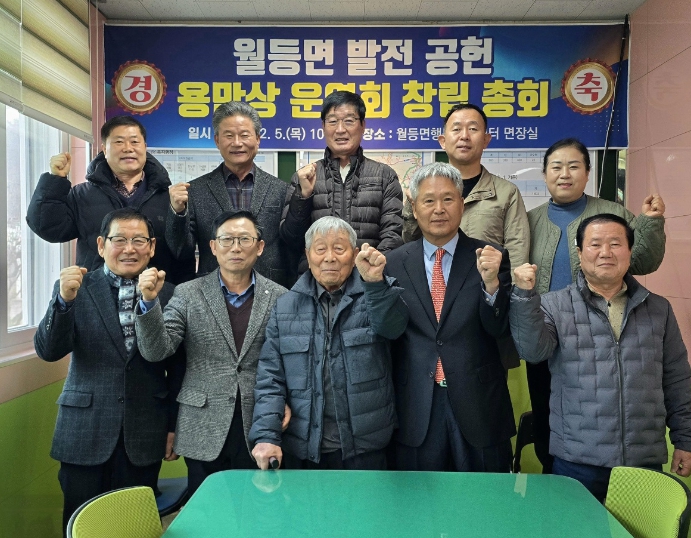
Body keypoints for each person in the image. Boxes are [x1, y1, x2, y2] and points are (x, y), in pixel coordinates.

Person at [510, 214, 689, 502]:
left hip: (643, 463)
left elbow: (677, 380)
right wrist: (523, 296)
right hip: (576, 462)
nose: (606, 252)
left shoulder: (659, 309)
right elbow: (532, 351)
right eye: (595, 244)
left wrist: (685, 439)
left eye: (615, 244)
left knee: (639, 527)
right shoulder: (553, 305)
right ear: (580, 253)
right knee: (574, 526)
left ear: (630, 251)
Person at [34, 208, 184, 533]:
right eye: (119, 240)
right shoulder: (75, 288)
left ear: (152, 247)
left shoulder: (171, 294)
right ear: (102, 245)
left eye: (139, 240)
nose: (129, 249)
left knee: (134, 527)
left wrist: (174, 426)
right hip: (83, 432)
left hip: (144, 433)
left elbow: (178, 371)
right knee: (81, 526)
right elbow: (49, 351)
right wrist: (63, 303)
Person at [525, 138, 667, 473]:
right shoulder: (529, 219)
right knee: (547, 411)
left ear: (588, 173)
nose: (565, 174)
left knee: (599, 411)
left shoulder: (613, 213)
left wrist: (650, 223)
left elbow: (644, 261)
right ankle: (556, 477)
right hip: (547, 333)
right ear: (544, 174)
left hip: (601, 334)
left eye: (574, 166)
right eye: (556, 167)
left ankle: (610, 481)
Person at [136, 210, 288, 496]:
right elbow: (157, 350)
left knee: (258, 509)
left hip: (259, 422)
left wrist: (286, 401)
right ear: (213, 247)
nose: (236, 247)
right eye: (227, 239)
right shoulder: (187, 293)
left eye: (244, 239)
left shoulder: (281, 297)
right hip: (202, 424)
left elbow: (287, 361)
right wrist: (149, 303)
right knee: (206, 511)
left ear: (260, 247)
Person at [250, 216, 408, 470]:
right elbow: (270, 377)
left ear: (354, 254)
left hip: (366, 447)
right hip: (303, 446)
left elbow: (394, 329)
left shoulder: (376, 292)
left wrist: (375, 285)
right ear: (307, 255)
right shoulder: (285, 307)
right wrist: (267, 434)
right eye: (320, 249)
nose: (330, 258)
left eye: (339, 248)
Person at [386, 162, 515, 472]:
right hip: (416, 404)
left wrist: (491, 284)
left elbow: (499, 327)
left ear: (462, 203)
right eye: (429, 200)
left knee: (483, 497)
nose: (439, 209)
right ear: (414, 207)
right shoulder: (393, 262)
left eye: (448, 199)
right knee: (419, 498)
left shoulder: (491, 256)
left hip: (478, 403)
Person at [401, 103, 529, 370]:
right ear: (442, 140)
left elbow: (517, 254)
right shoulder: (419, 190)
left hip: (484, 307)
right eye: (456, 129)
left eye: (473, 129)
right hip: (433, 307)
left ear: (486, 140)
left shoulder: (506, 193)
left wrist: (504, 305)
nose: (464, 136)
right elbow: (409, 245)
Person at [26, 115, 194, 285]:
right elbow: (49, 229)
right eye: (119, 142)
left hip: (155, 291)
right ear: (104, 149)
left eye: (134, 142)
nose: (128, 148)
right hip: (97, 293)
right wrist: (55, 180)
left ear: (145, 147)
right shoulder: (82, 194)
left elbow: (183, 252)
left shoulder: (170, 198)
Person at [166, 101, 291, 286]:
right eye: (229, 135)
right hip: (212, 289)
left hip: (269, 288)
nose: (237, 143)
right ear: (217, 140)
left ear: (258, 139)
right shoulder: (195, 191)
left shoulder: (281, 190)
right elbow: (181, 250)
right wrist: (177, 213)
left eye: (244, 135)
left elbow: (291, 246)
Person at [280, 91, 403, 273]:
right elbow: (290, 239)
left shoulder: (385, 175)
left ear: (362, 125)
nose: (340, 129)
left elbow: (393, 235)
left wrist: (370, 270)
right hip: (317, 279)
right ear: (323, 126)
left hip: (367, 280)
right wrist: (303, 196)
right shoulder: (305, 177)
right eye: (332, 121)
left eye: (349, 121)